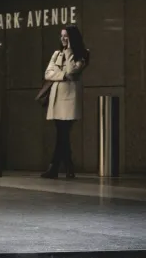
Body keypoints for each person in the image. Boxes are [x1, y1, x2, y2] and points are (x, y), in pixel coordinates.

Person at [41, 25, 88, 179]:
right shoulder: (56, 54)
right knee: (62, 134)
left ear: (72, 38)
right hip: (56, 98)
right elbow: (48, 74)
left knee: (63, 134)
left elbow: (72, 70)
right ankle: (67, 167)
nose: (62, 38)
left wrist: (68, 52)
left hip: (69, 99)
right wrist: (61, 76)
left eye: (66, 36)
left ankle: (55, 167)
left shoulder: (82, 55)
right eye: (61, 35)